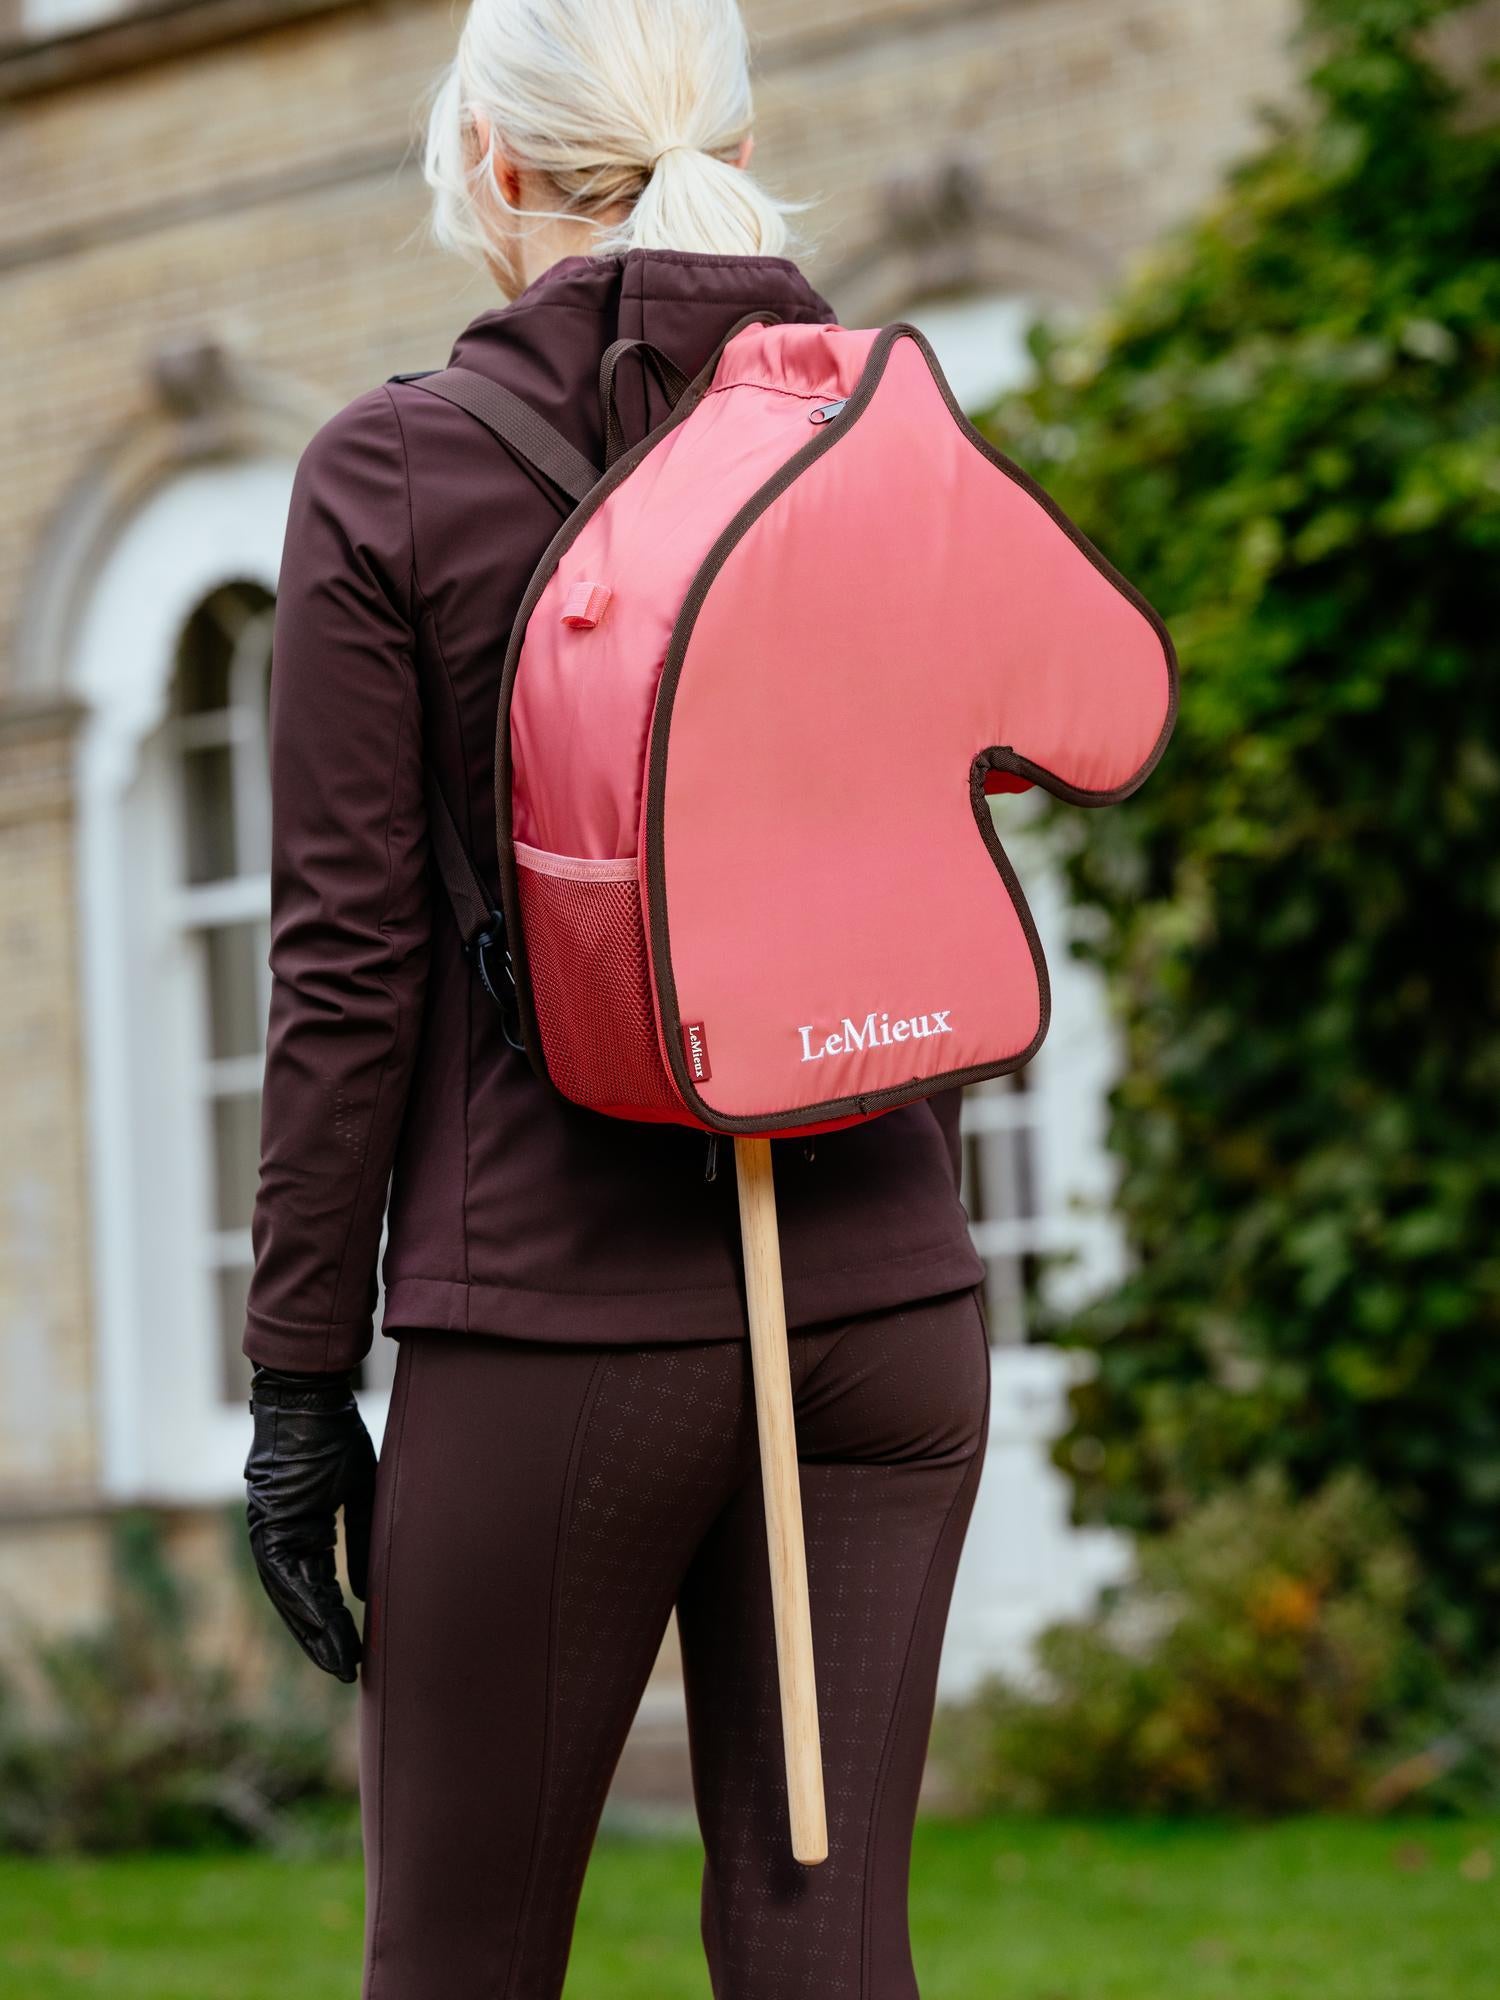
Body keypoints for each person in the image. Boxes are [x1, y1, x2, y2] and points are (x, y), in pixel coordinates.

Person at [241, 1, 991, 1994]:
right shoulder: (878, 421)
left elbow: (348, 966)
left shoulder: (395, 471)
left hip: (562, 1316)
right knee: (825, 1946)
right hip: (896, 1300)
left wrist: (300, 1379)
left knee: (460, 1963)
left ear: (490, 166)